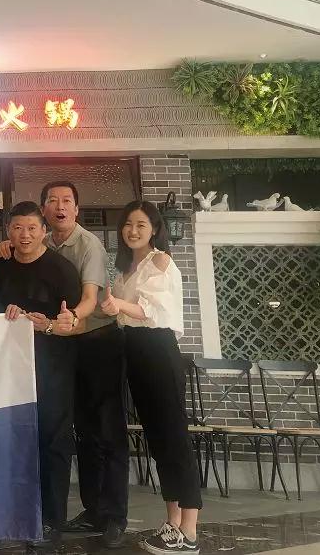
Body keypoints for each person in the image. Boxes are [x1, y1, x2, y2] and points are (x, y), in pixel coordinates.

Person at [0, 182, 129, 547]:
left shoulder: (87, 245)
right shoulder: (37, 244)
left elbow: (88, 300)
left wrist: (64, 320)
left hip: (96, 341)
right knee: (81, 430)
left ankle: (114, 515)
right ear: (43, 212)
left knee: (105, 429)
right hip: (58, 348)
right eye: (52, 201)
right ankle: (93, 509)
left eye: (66, 201)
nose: (60, 206)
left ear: (76, 208)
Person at [103, 201, 200, 555]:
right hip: (135, 352)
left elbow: (153, 310)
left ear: (155, 229)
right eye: (128, 224)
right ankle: (172, 522)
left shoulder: (160, 261)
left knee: (174, 438)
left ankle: (189, 531)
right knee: (158, 441)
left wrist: (117, 305)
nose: (133, 230)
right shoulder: (126, 268)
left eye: (141, 224)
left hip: (158, 350)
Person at [0, 201, 82, 549]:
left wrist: (48, 326)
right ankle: (16, 512)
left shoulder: (62, 269)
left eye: (32, 228)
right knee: (14, 440)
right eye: (17, 228)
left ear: (44, 231)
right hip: (9, 369)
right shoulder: (2, 264)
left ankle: (52, 520)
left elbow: (76, 324)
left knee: (53, 441)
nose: (25, 235)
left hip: (52, 367)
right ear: (8, 232)